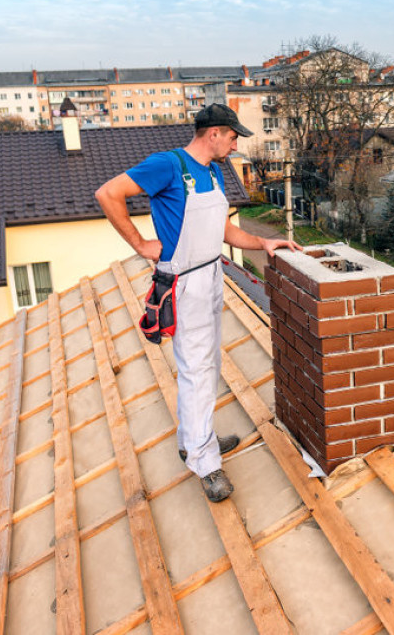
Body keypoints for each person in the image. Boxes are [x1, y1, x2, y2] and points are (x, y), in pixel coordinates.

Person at [95, 103, 301, 501]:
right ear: (214, 133)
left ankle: (196, 439)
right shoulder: (168, 165)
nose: (235, 142)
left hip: (209, 275)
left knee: (208, 366)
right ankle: (206, 464)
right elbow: (108, 193)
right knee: (195, 371)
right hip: (184, 284)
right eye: (233, 135)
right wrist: (140, 244)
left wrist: (262, 242)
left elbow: (221, 228)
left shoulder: (211, 172)